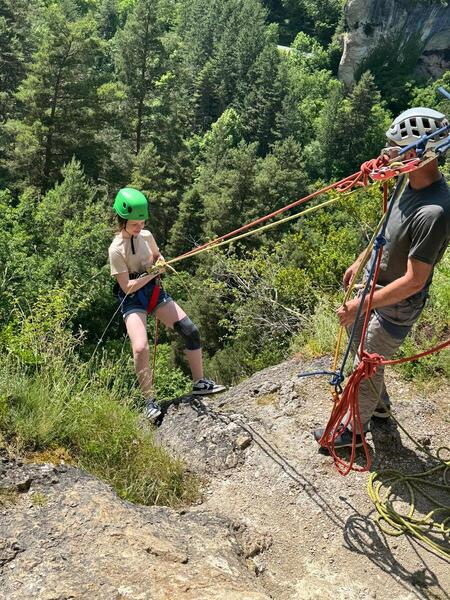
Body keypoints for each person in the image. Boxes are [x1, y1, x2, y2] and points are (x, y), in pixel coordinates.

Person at [314, 107, 450, 448]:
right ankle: (379, 407)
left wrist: (361, 304)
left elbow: (414, 280)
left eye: (396, 148)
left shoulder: (434, 212)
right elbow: (387, 228)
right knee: (366, 354)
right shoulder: (408, 181)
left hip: (398, 304)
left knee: (366, 365)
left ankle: (352, 434)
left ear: (420, 153)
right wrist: (361, 260)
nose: (389, 155)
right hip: (375, 286)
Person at [108, 187, 225, 422]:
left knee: (190, 330)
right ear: (122, 220)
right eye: (134, 224)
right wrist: (153, 273)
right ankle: (149, 402)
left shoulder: (146, 236)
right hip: (133, 299)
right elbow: (127, 286)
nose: (139, 227)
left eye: (142, 222)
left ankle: (200, 382)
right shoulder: (116, 250)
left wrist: (159, 262)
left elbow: (157, 256)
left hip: (154, 293)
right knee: (140, 348)